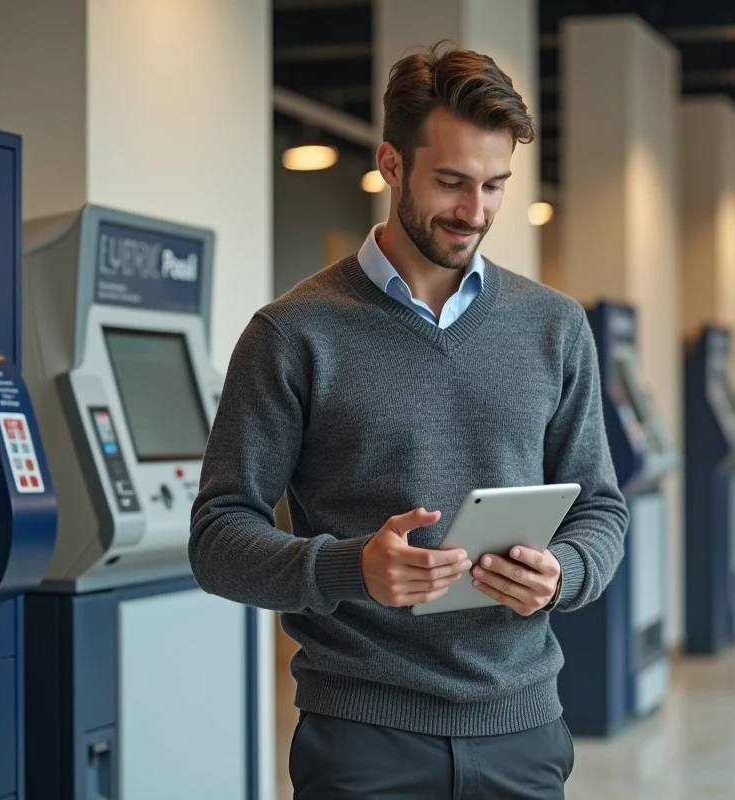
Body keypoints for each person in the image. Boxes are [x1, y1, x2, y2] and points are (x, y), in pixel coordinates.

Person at [189, 43, 628, 799]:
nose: (475, 212)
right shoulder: (293, 333)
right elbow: (217, 537)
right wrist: (349, 568)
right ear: (391, 165)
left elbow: (601, 508)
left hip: (523, 733)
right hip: (362, 739)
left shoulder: (554, 327)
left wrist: (564, 572)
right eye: (451, 182)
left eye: (495, 185)